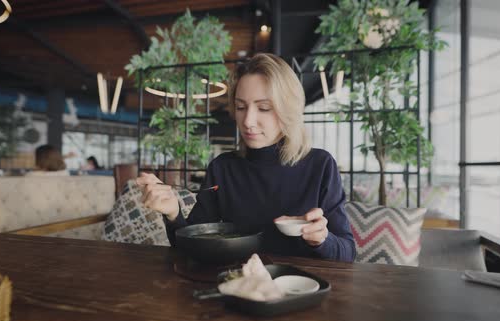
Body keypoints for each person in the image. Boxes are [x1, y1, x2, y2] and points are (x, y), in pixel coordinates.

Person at [136, 53, 356, 262]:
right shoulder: (222, 169)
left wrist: (322, 239)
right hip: (237, 286)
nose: (248, 121)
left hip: (302, 287)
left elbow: (347, 254)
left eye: (264, 108)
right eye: (241, 107)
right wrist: (174, 214)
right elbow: (192, 248)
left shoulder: (319, 166)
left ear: (288, 109)